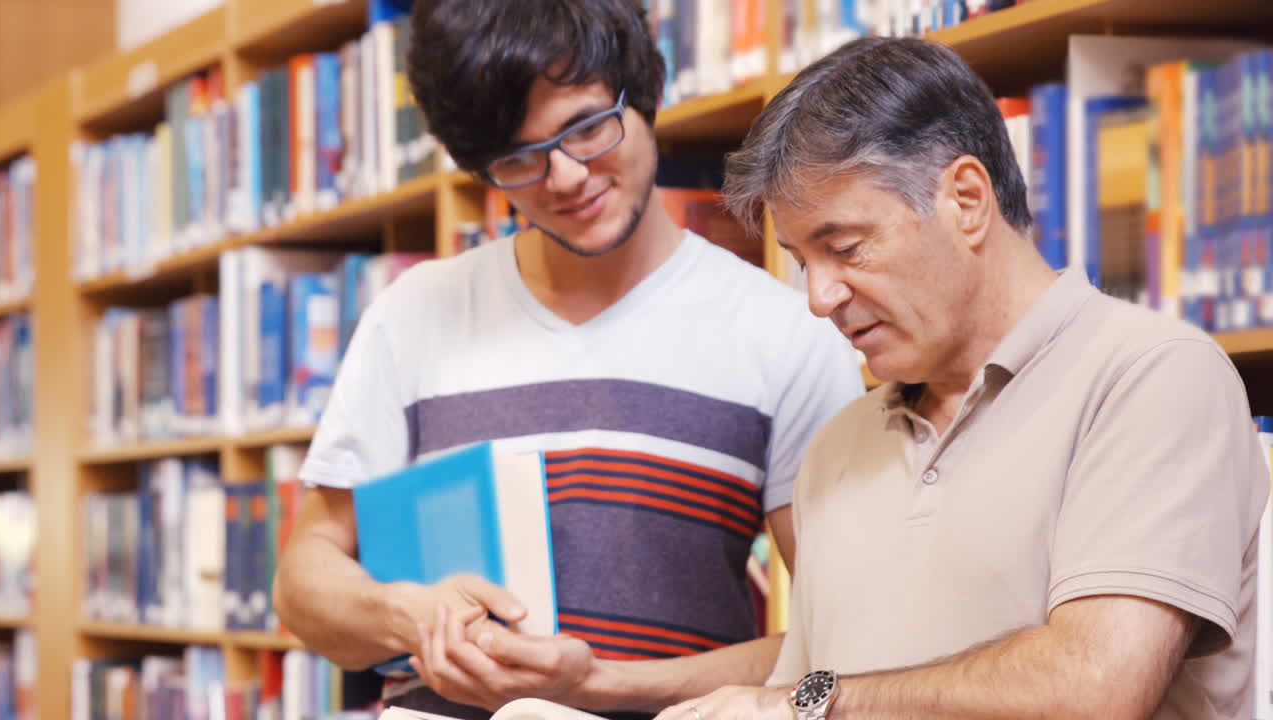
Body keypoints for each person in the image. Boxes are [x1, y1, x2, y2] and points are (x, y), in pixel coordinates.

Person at [271, 0, 865, 717]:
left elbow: (842, 639)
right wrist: (414, 618)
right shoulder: (412, 314)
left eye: (586, 128)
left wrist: (598, 685)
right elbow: (303, 582)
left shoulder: (786, 332)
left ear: (645, 89)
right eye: (517, 158)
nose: (564, 177)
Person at [655, 36, 1268, 720]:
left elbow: (1096, 687)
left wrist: (821, 701)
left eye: (845, 248)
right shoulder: (835, 448)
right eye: (803, 262)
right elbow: (792, 704)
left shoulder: (1153, 378)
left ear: (968, 199)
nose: (819, 298)